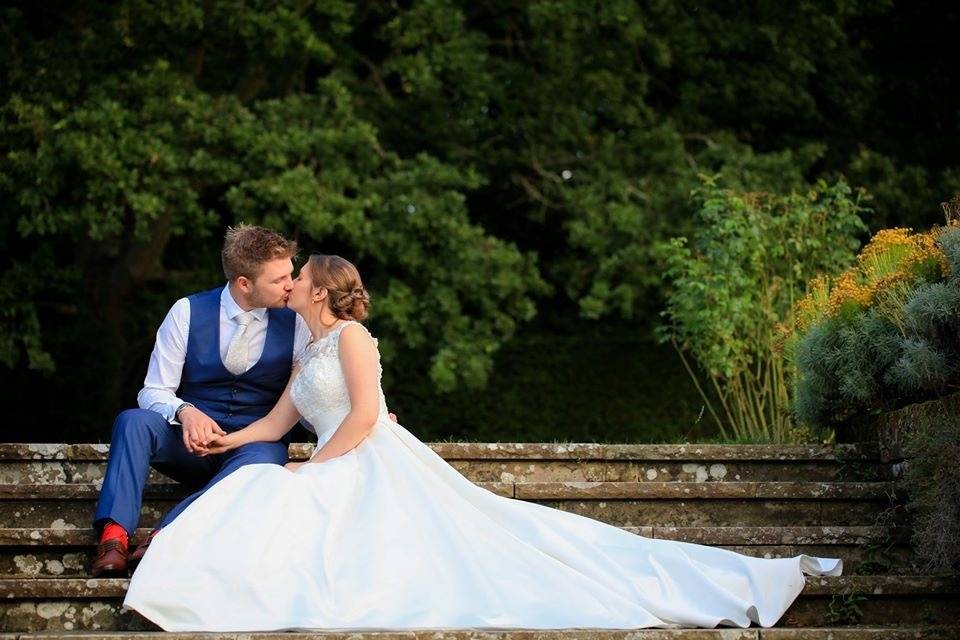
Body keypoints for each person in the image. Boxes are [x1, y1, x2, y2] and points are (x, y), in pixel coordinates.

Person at [122, 253, 842, 631]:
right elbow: (278, 424)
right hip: (337, 457)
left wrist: (319, 470)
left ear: (319, 290)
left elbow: (368, 415)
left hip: (369, 459)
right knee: (252, 480)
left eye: (299, 278)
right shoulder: (305, 351)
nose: (291, 285)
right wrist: (225, 439)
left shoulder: (352, 337)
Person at [91, 225, 312, 577]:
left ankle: (165, 536)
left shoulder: (297, 321)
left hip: (252, 449)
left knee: (265, 463)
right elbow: (153, 390)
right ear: (244, 283)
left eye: (291, 273)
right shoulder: (186, 311)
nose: (291, 284)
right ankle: (114, 538)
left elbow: (307, 395)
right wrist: (184, 410)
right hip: (188, 446)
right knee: (132, 421)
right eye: (279, 279)